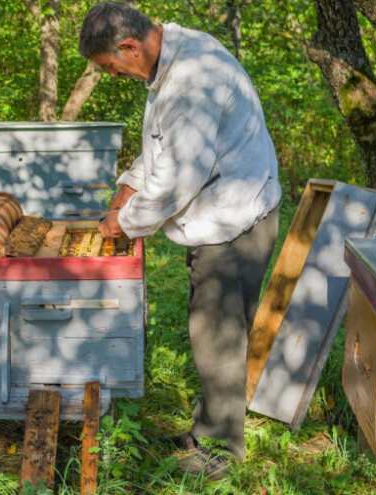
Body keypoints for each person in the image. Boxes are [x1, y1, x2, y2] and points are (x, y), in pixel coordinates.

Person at [78, 1, 281, 480]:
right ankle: (207, 430)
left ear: (129, 46)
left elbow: (175, 181)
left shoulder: (189, 81)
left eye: (110, 66)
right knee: (208, 330)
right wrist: (126, 188)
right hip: (225, 211)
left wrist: (123, 222)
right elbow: (160, 149)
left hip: (234, 224)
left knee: (218, 336)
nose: (110, 75)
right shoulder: (172, 56)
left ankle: (221, 453)